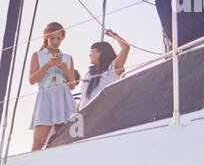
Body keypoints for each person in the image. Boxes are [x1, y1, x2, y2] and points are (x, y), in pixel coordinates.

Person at [28, 22, 79, 151]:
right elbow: (32, 80)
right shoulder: (37, 56)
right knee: (38, 143)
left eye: (59, 38)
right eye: (52, 38)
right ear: (46, 38)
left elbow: (72, 85)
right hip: (46, 96)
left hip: (64, 97)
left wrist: (66, 70)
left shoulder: (68, 58)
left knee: (64, 141)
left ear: (62, 38)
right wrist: (47, 65)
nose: (56, 42)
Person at [78, 28, 131, 110]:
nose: (90, 55)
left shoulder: (112, 69)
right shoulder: (88, 74)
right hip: (85, 117)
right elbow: (83, 97)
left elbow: (125, 47)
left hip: (103, 115)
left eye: (92, 51)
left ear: (100, 53)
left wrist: (113, 35)